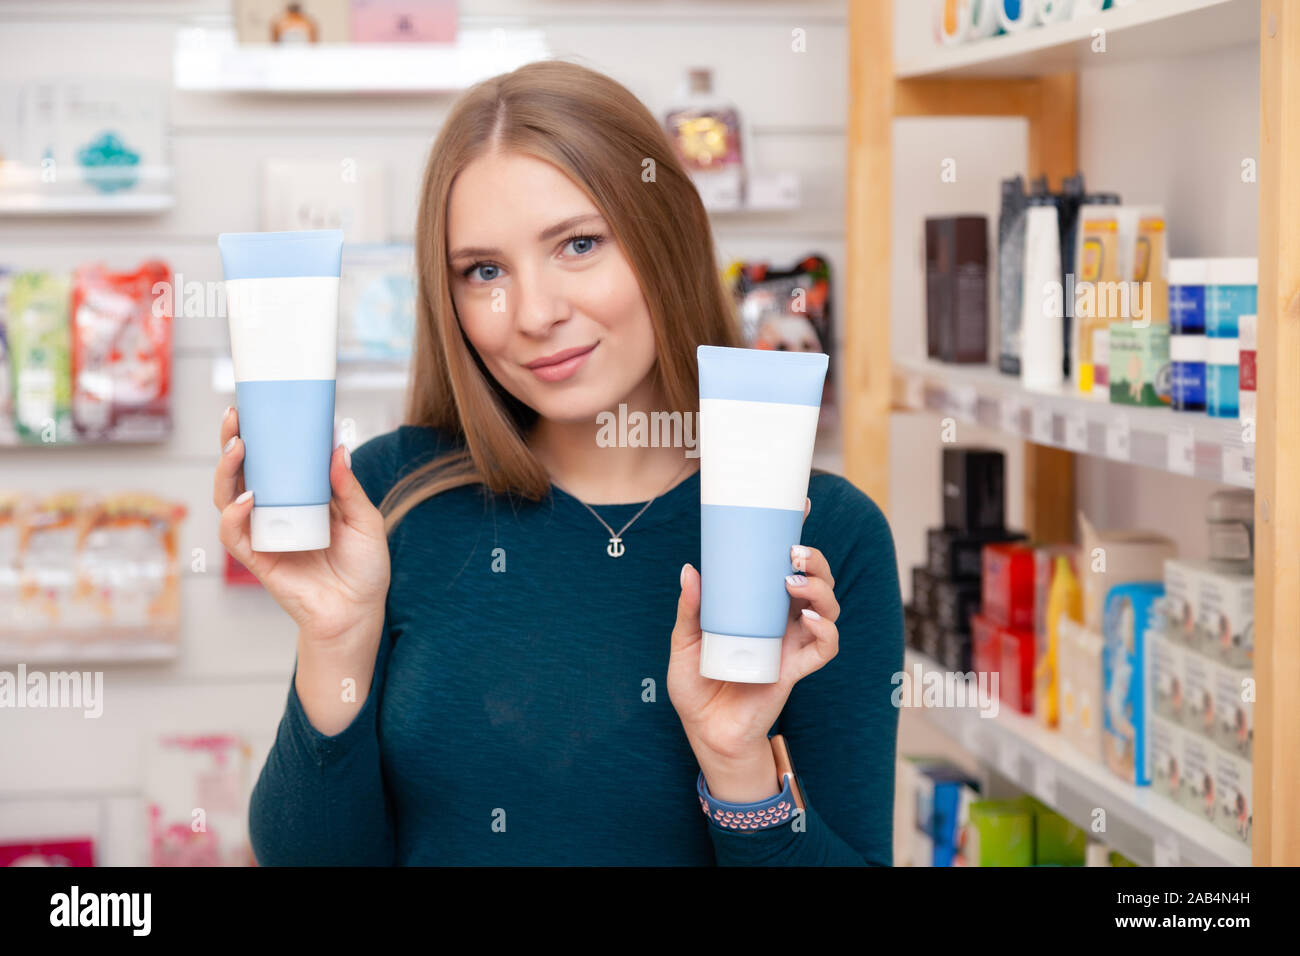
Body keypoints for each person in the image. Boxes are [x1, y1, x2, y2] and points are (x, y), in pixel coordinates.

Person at [214, 59, 902, 865]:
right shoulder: (389, 498)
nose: (534, 314)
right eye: (484, 271)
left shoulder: (828, 537)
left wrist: (737, 766)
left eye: (578, 244)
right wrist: (335, 640)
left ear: (664, 236)